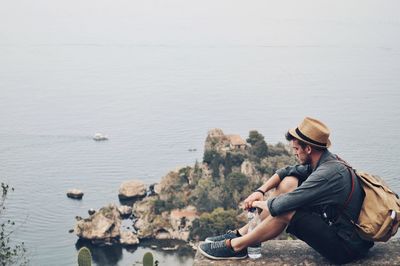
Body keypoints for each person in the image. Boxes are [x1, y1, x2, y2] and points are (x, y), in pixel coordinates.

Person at [199, 117, 374, 264]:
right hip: (334, 227)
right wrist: (260, 190)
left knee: (286, 211)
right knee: (289, 181)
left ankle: (236, 245)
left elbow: (281, 206)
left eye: (296, 149)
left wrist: (254, 203)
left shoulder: (327, 175)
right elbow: (286, 172)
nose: (295, 154)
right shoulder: (324, 161)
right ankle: (242, 232)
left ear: (308, 149)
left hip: (346, 248)